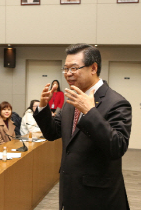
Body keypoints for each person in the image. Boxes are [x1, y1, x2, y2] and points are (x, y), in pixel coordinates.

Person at [34, 44, 131, 210]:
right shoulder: (73, 99)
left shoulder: (117, 102)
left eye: (74, 68)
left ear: (93, 68)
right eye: (65, 69)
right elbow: (53, 132)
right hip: (70, 190)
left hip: (99, 198)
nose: (68, 74)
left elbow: (117, 146)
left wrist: (89, 111)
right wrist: (43, 107)